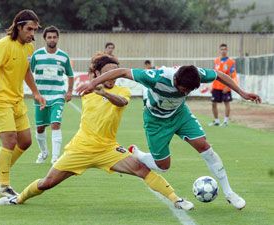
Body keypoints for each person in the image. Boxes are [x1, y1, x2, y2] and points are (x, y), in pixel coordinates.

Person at [0, 53, 194, 211]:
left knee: (142, 170)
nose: (113, 77)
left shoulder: (121, 92)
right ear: (98, 74)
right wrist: (92, 85)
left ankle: (177, 199)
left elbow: (122, 102)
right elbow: (85, 84)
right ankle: (18, 198)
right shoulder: (88, 91)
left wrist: (104, 93)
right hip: (80, 149)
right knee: (47, 183)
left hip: (108, 149)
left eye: (115, 73)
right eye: (108, 72)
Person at [76, 65, 261, 210]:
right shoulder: (157, 78)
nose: (185, 93)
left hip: (180, 115)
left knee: (204, 146)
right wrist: (92, 84)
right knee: (163, 166)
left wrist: (242, 93)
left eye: (189, 91)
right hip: (155, 121)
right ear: (175, 81)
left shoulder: (194, 74)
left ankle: (230, 193)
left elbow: (219, 75)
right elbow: (122, 71)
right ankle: (139, 155)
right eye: (183, 89)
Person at [0, 9, 46, 197]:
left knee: (25, 141)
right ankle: (4, 186)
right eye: (29, 29)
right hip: (0, 100)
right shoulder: (4, 45)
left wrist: (35, 93)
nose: (33, 34)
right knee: (9, 139)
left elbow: (26, 71)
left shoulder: (28, 48)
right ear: (19, 27)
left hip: (17, 100)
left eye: (35, 30)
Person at [30, 26, 74, 164]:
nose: (52, 39)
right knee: (40, 127)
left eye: (54, 37)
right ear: (45, 39)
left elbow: (70, 75)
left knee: (55, 124)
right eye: (49, 37)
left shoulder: (63, 56)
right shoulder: (36, 55)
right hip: (40, 97)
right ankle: (44, 152)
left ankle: (55, 158)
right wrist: (34, 92)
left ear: (58, 38)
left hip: (57, 95)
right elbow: (28, 74)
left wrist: (69, 91)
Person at [209, 43, 237, 127]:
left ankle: (225, 121)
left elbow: (232, 75)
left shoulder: (231, 62)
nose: (223, 51)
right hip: (216, 86)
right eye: (222, 49)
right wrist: (211, 85)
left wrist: (228, 86)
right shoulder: (216, 61)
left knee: (226, 103)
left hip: (225, 86)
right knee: (213, 103)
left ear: (227, 50)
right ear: (219, 50)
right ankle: (216, 121)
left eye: (225, 49)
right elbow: (214, 73)